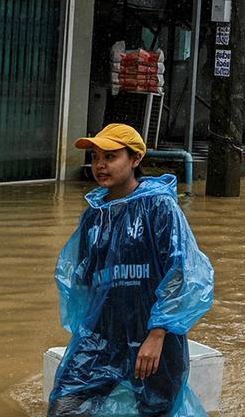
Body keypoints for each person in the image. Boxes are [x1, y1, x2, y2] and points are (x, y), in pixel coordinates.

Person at [49, 124, 214, 416]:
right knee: (65, 405)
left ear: (135, 159)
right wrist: (85, 333)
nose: (100, 165)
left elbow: (182, 272)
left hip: (152, 334)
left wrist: (158, 333)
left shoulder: (159, 207)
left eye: (110, 156)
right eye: (95, 156)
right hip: (103, 335)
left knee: (155, 410)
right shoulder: (93, 215)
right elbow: (84, 281)